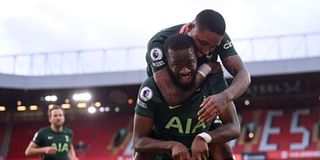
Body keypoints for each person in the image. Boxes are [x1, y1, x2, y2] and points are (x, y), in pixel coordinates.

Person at [133, 34, 240, 160]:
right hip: (167, 152)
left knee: (223, 147)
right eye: (177, 65)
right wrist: (172, 146)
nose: (184, 70)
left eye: (190, 63)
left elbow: (234, 128)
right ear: (167, 63)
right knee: (141, 154)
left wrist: (204, 137)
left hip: (201, 152)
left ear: (197, 58)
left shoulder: (212, 80)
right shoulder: (151, 88)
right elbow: (138, 141)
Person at [145, 9, 251, 122]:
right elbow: (172, 97)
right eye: (202, 43)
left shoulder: (216, 38)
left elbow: (244, 74)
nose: (206, 51)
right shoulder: (160, 42)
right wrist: (206, 68)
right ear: (190, 28)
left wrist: (224, 97)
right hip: (167, 110)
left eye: (213, 47)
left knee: (228, 129)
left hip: (199, 104)